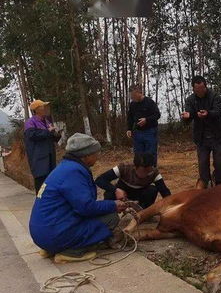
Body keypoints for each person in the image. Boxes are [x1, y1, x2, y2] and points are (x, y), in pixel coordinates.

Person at [29, 133, 127, 263]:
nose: (97, 156)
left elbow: (81, 204)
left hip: (42, 234)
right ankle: (71, 252)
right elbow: (86, 208)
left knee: (99, 213)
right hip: (54, 234)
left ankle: (51, 248)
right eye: (95, 153)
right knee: (111, 218)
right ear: (86, 155)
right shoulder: (74, 172)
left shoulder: (65, 167)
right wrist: (113, 205)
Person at [182, 76, 221, 188]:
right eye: (197, 89)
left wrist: (208, 113)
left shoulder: (215, 96)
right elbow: (188, 115)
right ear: (193, 89)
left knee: (219, 163)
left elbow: (217, 112)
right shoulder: (190, 100)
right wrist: (186, 117)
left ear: (205, 86)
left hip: (217, 136)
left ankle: (220, 185)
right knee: (202, 164)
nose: (200, 91)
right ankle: (204, 185)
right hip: (201, 138)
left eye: (202, 88)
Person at [95, 152, 171, 209]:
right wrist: (116, 190)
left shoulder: (154, 172)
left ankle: (144, 212)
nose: (146, 174)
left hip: (139, 196)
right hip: (122, 195)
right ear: (135, 167)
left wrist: (172, 206)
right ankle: (110, 214)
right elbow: (100, 180)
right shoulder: (124, 168)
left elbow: (164, 191)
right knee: (109, 193)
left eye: (148, 171)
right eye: (144, 171)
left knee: (153, 190)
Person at [24, 100, 61, 193]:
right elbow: (32, 135)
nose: (46, 109)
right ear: (37, 110)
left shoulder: (46, 121)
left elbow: (52, 137)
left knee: (50, 183)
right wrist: (48, 131)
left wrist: (56, 134)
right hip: (39, 160)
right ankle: (40, 204)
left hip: (49, 158)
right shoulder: (30, 122)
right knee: (41, 185)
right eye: (43, 107)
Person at [126, 84, 161, 166]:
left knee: (150, 153)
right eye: (131, 96)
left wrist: (147, 120)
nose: (132, 98)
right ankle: (139, 171)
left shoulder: (149, 102)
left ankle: (151, 171)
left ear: (139, 93)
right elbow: (130, 117)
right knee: (138, 154)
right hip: (137, 132)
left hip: (150, 131)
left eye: (133, 95)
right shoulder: (132, 105)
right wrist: (129, 129)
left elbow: (157, 115)